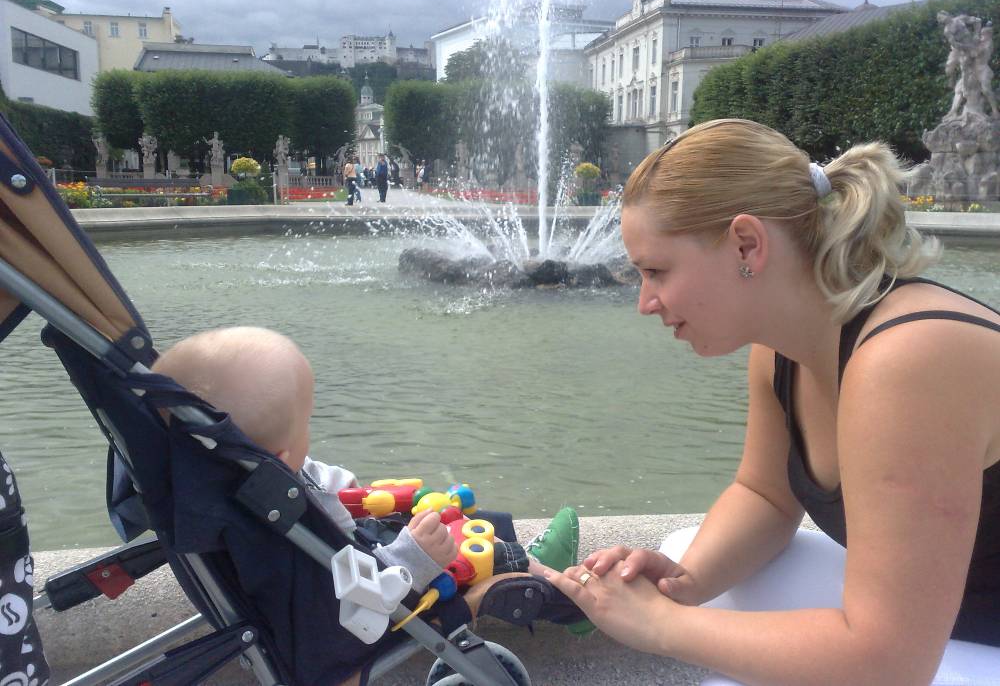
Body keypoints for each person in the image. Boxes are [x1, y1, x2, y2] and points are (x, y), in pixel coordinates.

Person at [545, 119, 1000, 685]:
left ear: (748, 244)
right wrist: (680, 584)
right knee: (688, 554)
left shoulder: (908, 360)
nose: (646, 302)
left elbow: (889, 665)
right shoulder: (784, 347)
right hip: (948, 627)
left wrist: (661, 625)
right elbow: (765, 496)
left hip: (920, 648)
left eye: (656, 271)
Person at [152, 326, 579, 594]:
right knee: (486, 554)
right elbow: (351, 591)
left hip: (360, 544)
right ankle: (559, 588)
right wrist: (412, 558)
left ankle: (519, 550)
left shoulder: (229, 482)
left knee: (452, 515)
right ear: (278, 460)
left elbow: (306, 475)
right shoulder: (274, 517)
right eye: (306, 425)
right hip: (382, 577)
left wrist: (346, 488)